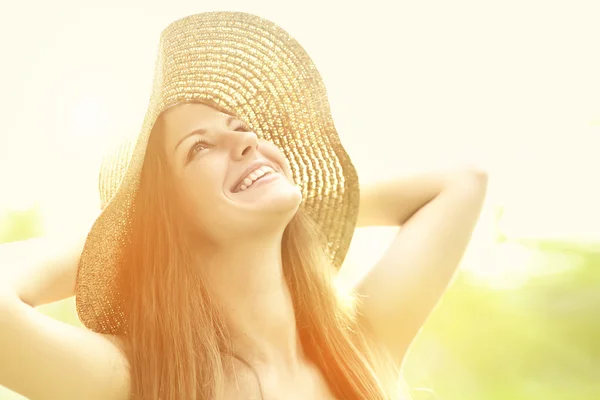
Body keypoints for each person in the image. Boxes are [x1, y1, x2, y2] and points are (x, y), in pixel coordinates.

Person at [0, 11, 488, 400]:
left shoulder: (359, 343)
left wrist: (296, 200)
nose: (244, 143)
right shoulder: (138, 381)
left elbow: (461, 183)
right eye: (199, 147)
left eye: (240, 128)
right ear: (172, 220)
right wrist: (128, 236)